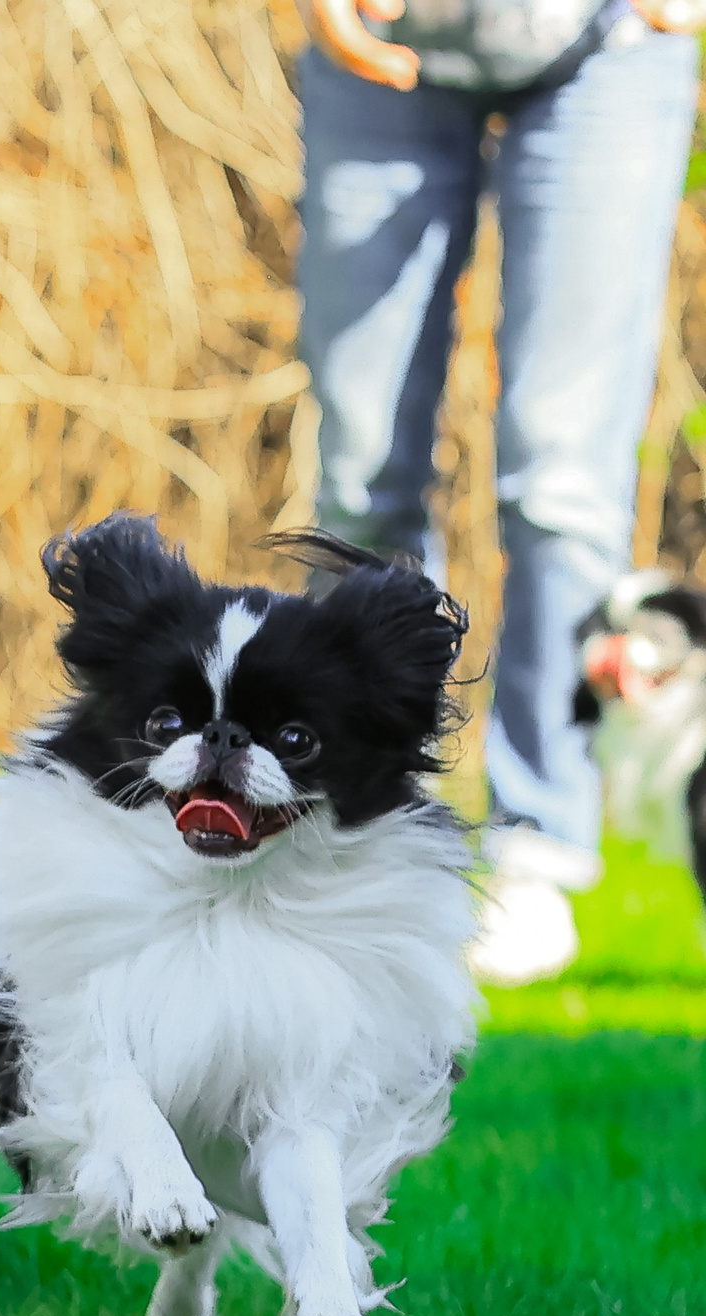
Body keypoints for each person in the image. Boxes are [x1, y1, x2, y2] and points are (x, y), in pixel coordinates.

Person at [295, 0, 704, 984]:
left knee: (561, 475)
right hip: (377, 42)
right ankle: (363, 825)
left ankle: (535, 847)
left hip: (603, 48)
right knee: (359, 474)